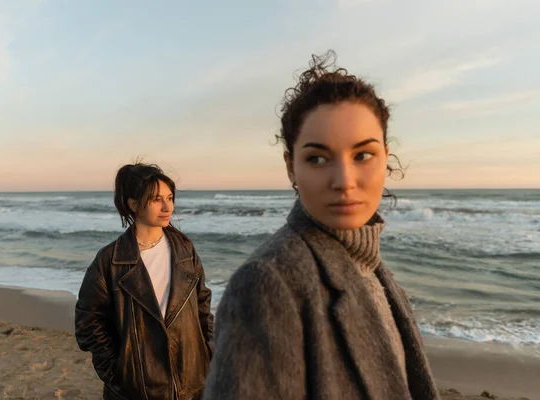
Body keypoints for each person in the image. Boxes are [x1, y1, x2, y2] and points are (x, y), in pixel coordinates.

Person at [202, 51, 440, 400]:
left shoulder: (374, 271)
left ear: (385, 158)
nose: (344, 181)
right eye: (317, 158)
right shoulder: (268, 284)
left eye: (362, 155)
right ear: (290, 167)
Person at [75, 162, 214, 400]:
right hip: (137, 390)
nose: (167, 206)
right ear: (134, 204)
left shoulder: (185, 251)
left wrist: (208, 353)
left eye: (169, 198)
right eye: (156, 199)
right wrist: (117, 373)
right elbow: (88, 322)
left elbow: (202, 306)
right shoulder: (110, 261)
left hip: (191, 385)